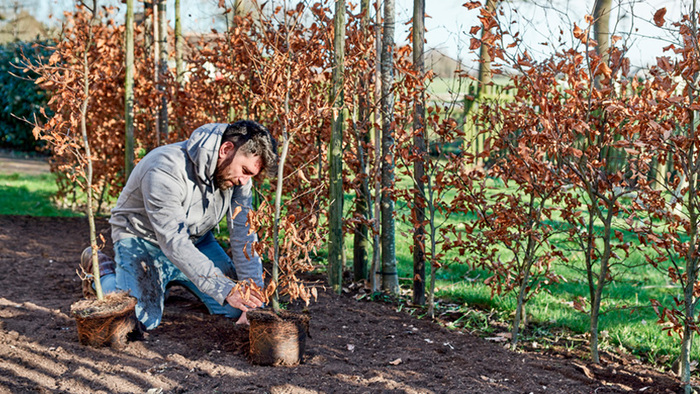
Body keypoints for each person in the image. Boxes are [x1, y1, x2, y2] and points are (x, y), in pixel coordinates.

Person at [80, 121, 277, 329]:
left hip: (197, 242)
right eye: (245, 170)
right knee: (139, 319)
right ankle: (102, 272)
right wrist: (226, 289)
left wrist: (253, 297)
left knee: (237, 307)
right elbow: (173, 241)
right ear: (225, 149)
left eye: (251, 175)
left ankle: (159, 285)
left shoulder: (238, 177)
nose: (245, 181)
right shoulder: (164, 168)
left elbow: (244, 234)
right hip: (143, 241)